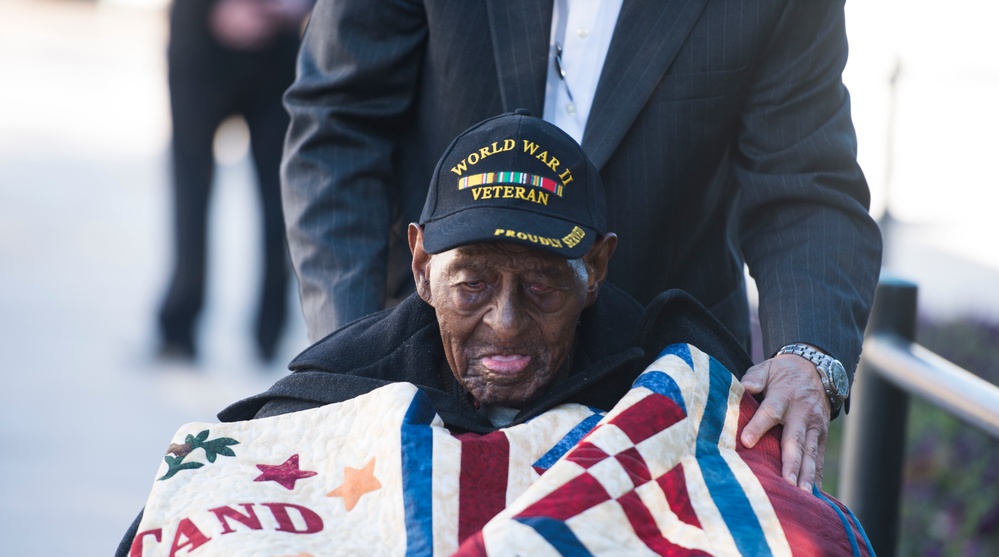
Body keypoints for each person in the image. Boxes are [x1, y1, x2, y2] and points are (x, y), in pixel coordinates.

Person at [88, 113, 883, 557]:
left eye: (542, 289)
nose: (504, 323)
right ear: (420, 265)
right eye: (471, 286)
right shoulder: (333, 392)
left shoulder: (670, 391)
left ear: (597, 269)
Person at [279, 0, 883, 489]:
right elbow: (340, 125)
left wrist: (807, 355)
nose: (512, 322)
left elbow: (805, 183)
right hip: (427, 377)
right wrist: (359, 361)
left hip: (658, 391)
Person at [156, 0, 311, 362]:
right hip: (201, 39)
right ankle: (180, 324)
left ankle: (270, 332)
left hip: (280, 42)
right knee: (191, 189)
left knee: (283, 193)